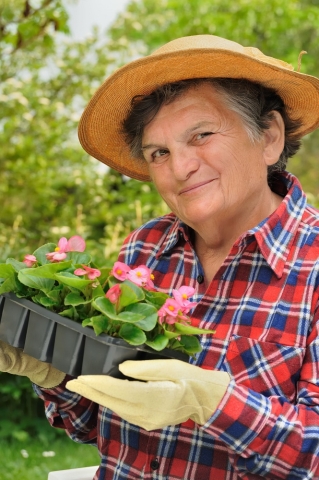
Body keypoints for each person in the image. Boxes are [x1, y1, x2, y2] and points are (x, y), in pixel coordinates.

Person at [1, 34, 319, 479]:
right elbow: (96, 424)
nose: (180, 167)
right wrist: (53, 372)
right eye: (159, 153)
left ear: (268, 137)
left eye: (202, 135)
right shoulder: (145, 248)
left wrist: (213, 402)